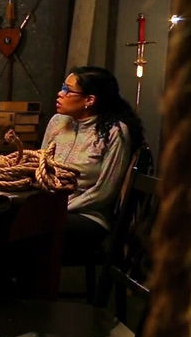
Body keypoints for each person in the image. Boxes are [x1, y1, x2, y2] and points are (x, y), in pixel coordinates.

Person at [43, 66, 145, 255]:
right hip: (49, 208)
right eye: (62, 87)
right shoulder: (57, 122)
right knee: (4, 222)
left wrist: (61, 209)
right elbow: (40, 168)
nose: (60, 93)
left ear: (89, 100)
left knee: (33, 229)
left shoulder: (114, 132)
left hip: (88, 215)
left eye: (67, 90)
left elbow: (104, 192)